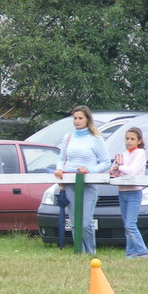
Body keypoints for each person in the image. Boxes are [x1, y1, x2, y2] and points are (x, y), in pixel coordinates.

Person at [53, 105, 112, 254]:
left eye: (80, 118)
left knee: (85, 222)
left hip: (88, 184)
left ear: (87, 119)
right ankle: (79, 252)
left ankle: (90, 252)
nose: (77, 121)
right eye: (75, 118)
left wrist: (90, 170)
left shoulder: (96, 138)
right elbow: (61, 158)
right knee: (74, 222)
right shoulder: (68, 138)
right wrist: (59, 169)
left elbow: (106, 162)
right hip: (70, 182)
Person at [111, 126, 148, 258]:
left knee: (130, 224)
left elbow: (132, 171)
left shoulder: (140, 153)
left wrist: (120, 166)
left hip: (134, 192)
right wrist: (117, 167)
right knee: (126, 224)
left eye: (132, 139)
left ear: (139, 141)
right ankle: (131, 252)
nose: (129, 141)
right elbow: (114, 171)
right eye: (127, 138)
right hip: (122, 191)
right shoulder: (124, 154)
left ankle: (142, 251)